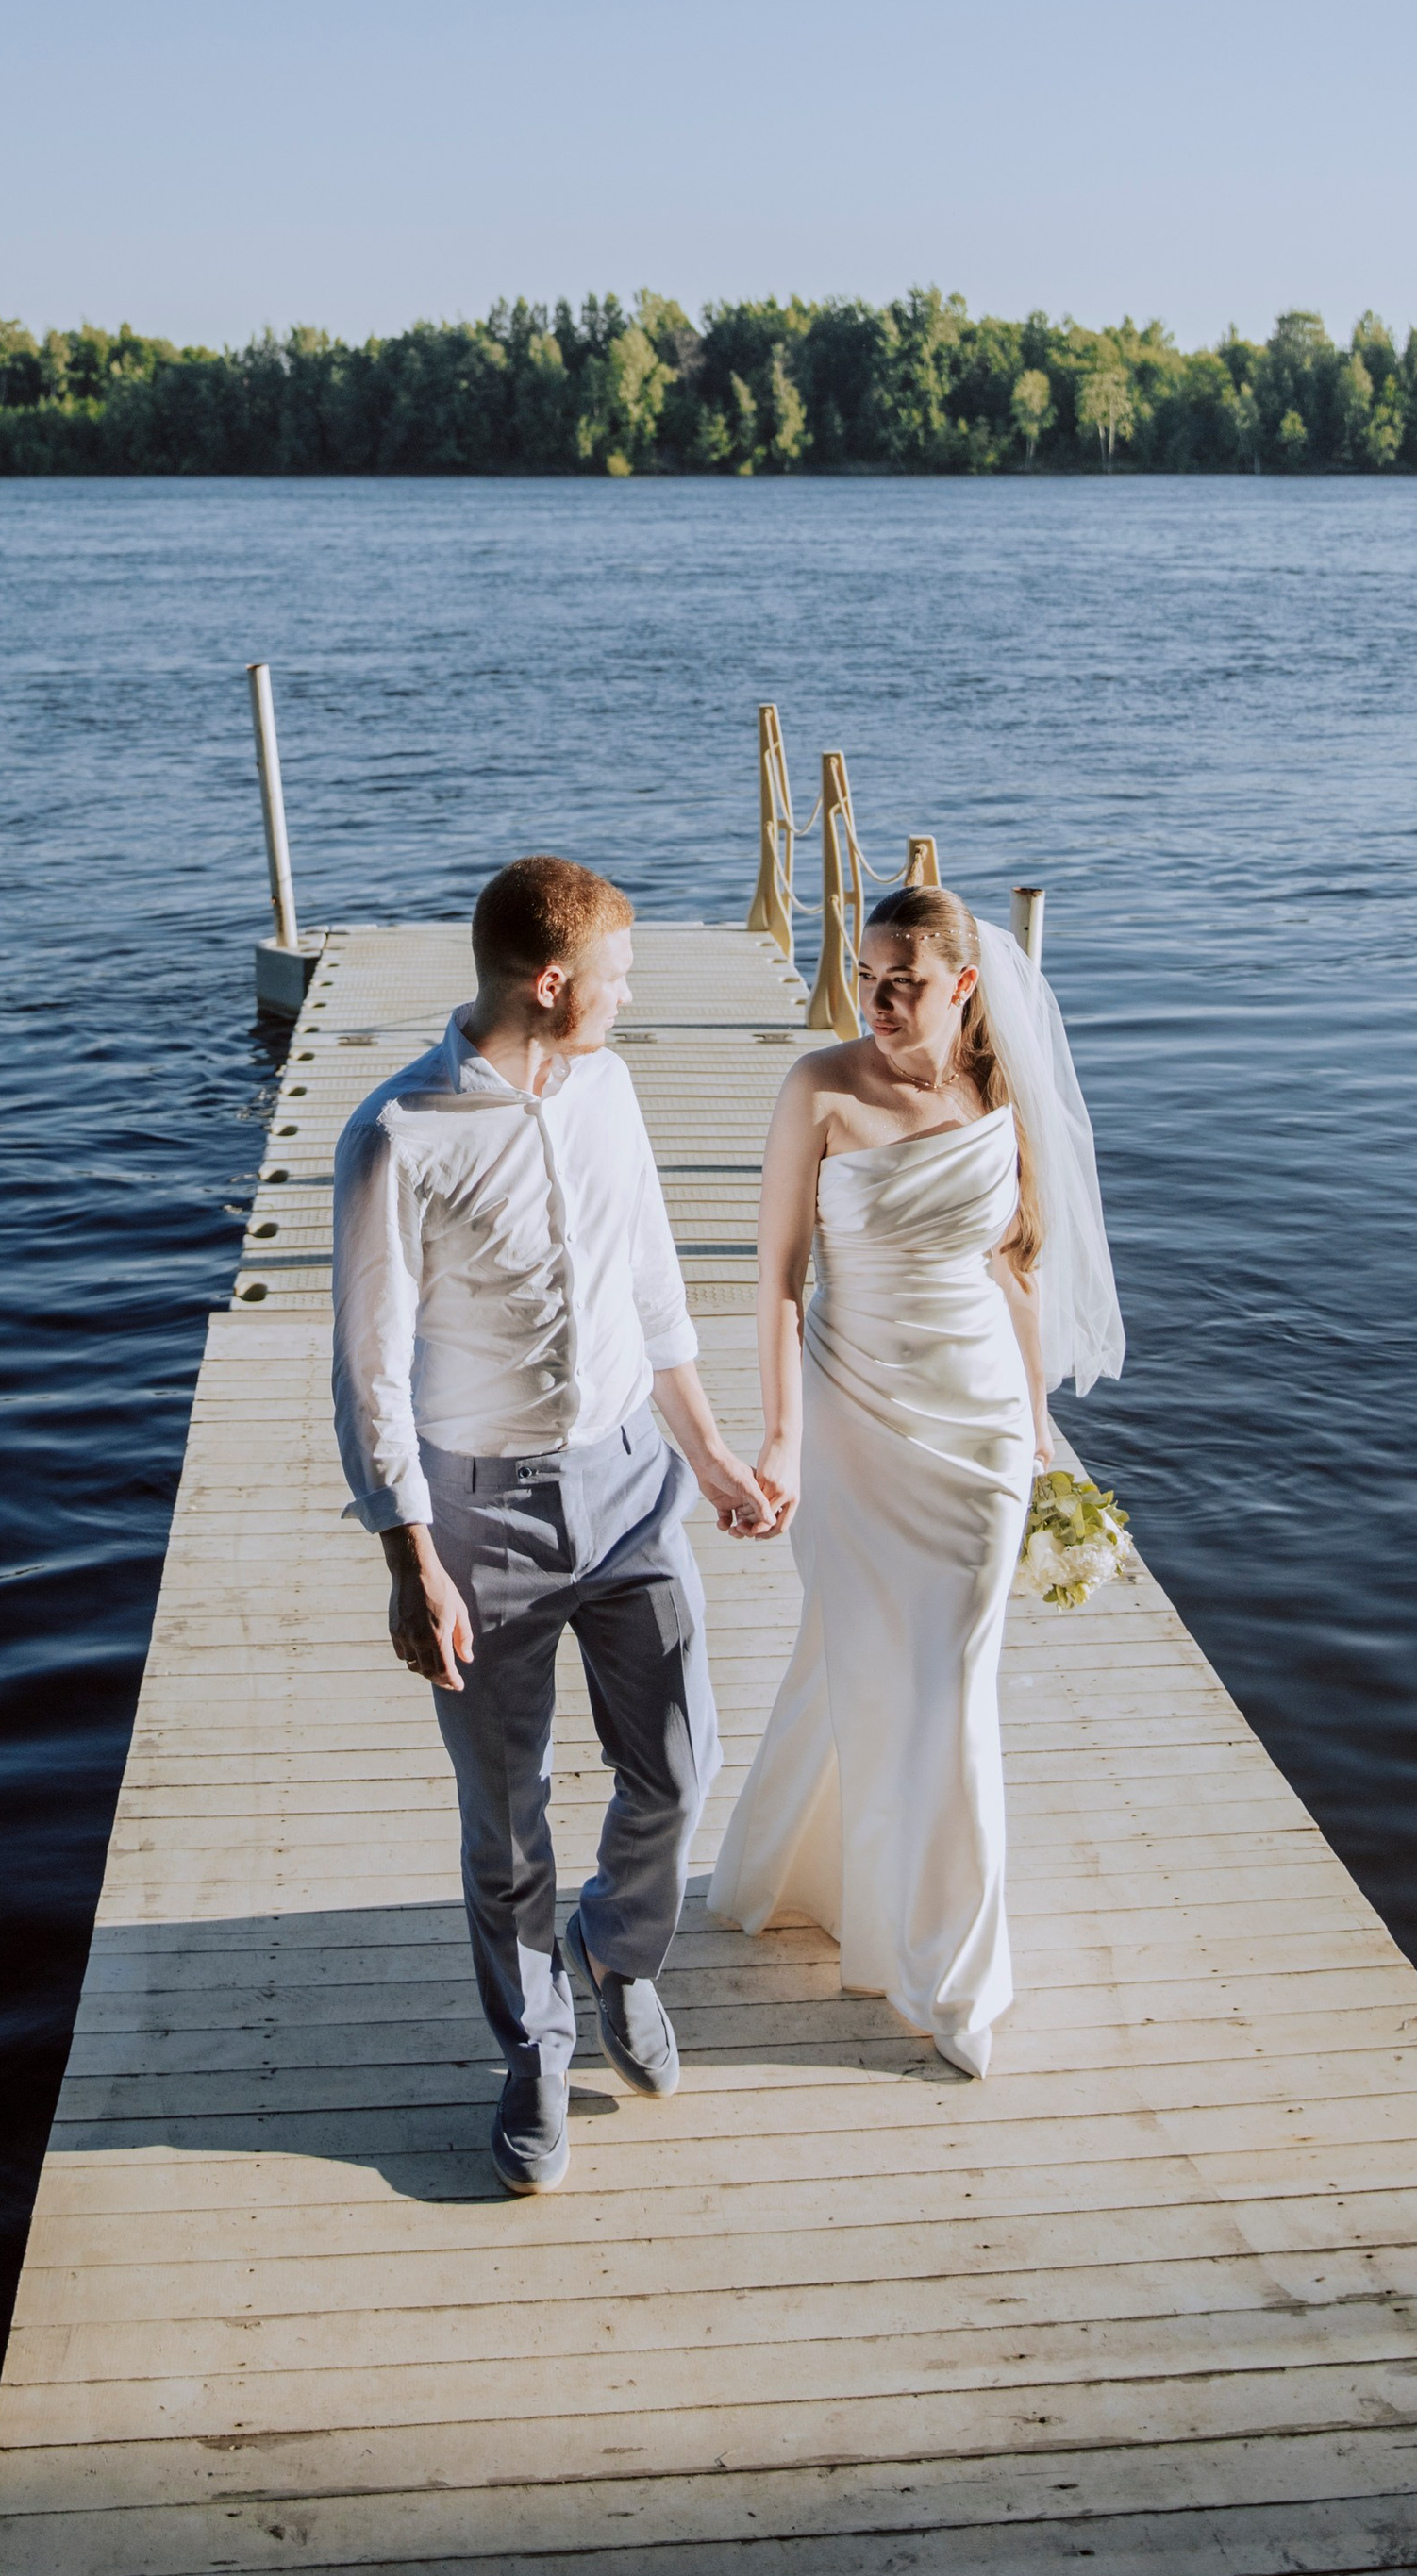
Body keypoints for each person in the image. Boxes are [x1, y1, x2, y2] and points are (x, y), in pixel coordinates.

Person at [331, 854, 775, 2196]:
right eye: (617, 978)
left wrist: (711, 1454)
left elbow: (652, 1284)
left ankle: (620, 1953)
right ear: (548, 981)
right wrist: (410, 1557)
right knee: (506, 1818)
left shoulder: (610, 1090)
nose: (629, 1000)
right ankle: (533, 2047)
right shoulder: (397, 1137)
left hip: (633, 1482)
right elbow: (367, 1374)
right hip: (483, 1514)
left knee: (680, 1765)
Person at [707, 883, 1124, 2077]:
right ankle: (816, 1874)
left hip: (979, 1424)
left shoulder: (999, 1089)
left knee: (951, 1679)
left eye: (904, 982)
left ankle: (951, 1970)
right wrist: (779, 1439)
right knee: (852, 1648)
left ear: (963, 984)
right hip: (854, 1411)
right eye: (866, 977)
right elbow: (778, 1279)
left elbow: (1017, 1267)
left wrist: (1037, 1431)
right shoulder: (818, 1088)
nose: (878, 1002)